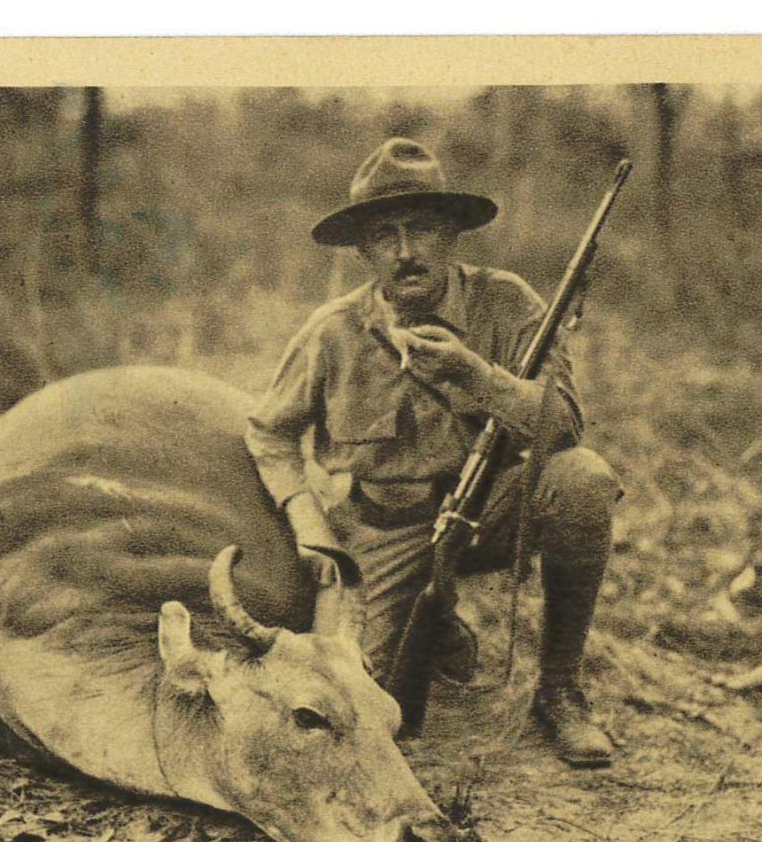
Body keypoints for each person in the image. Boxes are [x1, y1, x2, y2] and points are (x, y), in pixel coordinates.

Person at [245, 138, 621, 767]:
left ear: (450, 235)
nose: (405, 251)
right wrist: (309, 523)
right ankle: (437, 619)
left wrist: (476, 376)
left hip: (490, 514)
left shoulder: (510, 304)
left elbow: (564, 427)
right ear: (363, 250)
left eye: (421, 229)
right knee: (382, 719)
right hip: (383, 533)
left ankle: (559, 691)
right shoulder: (332, 331)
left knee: (581, 482)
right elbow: (269, 431)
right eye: (384, 235)